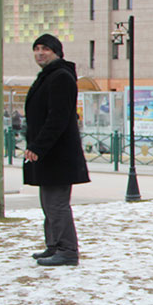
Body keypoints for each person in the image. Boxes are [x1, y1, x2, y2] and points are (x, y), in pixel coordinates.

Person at [23, 33, 90, 267]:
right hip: (49, 153)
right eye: (37, 48)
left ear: (57, 52)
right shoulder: (49, 76)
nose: (40, 52)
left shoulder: (60, 76)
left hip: (57, 153)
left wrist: (37, 146)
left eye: (46, 49)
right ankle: (53, 245)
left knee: (57, 203)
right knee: (47, 201)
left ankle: (67, 250)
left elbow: (58, 118)